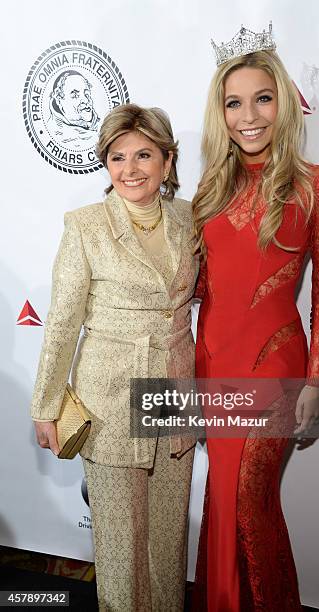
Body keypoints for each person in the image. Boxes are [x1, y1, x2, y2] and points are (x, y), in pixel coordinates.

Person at [191, 25, 319, 611]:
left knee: (250, 504)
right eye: (234, 102)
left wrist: (317, 382)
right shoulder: (211, 187)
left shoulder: (317, 186)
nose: (248, 115)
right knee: (221, 502)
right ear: (220, 112)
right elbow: (202, 287)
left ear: (283, 103)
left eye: (262, 98)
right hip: (212, 362)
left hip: (275, 363)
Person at [31, 103, 197, 612]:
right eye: (117, 156)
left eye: (144, 155)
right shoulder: (86, 226)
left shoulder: (192, 218)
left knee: (168, 544)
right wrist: (46, 404)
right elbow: (61, 322)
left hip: (174, 394)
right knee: (122, 551)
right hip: (110, 399)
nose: (130, 169)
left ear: (167, 162)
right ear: (105, 164)